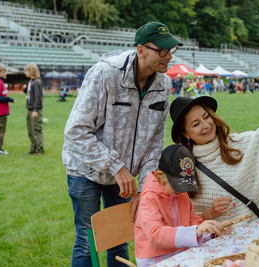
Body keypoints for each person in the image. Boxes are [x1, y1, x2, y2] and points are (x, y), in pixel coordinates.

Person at [62, 21, 182, 267]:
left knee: (120, 240)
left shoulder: (164, 84)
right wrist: (116, 167)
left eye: (171, 50)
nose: (169, 56)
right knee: (88, 242)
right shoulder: (105, 73)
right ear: (141, 50)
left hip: (125, 179)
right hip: (86, 171)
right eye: (162, 51)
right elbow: (76, 132)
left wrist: (145, 186)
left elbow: (155, 141)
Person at [169, 74, 259, 225]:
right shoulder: (184, 169)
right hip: (219, 244)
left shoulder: (236, 143)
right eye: (196, 124)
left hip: (257, 231)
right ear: (185, 133)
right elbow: (184, 224)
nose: (206, 125)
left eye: (206, 117)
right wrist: (211, 213)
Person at [134, 144, 230, 267]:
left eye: (184, 185)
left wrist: (211, 232)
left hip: (180, 253)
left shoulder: (180, 193)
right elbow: (156, 235)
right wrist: (195, 231)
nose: (181, 191)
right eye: (177, 185)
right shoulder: (149, 198)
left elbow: (193, 223)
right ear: (159, 176)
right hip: (155, 259)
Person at [0, 65, 16, 154]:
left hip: (3, 110)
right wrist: (9, 99)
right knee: (0, 129)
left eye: (5, 72)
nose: (5, 74)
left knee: (2, 129)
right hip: (0, 110)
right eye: (3, 72)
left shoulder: (0, 81)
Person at [24, 64, 44, 156]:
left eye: (26, 71)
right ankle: (33, 149)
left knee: (36, 130)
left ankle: (39, 150)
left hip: (34, 110)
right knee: (30, 131)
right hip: (30, 109)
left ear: (31, 71)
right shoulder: (31, 81)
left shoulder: (37, 82)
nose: (25, 72)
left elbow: (38, 97)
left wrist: (35, 110)